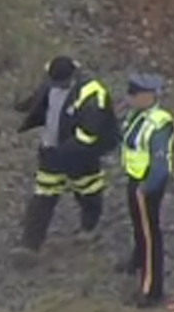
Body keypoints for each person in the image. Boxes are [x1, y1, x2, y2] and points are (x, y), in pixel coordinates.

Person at [11, 55, 120, 265]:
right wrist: (24, 106)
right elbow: (41, 97)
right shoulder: (52, 80)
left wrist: (65, 153)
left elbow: (89, 133)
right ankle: (29, 246)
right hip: (52, 151)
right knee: (44, 195)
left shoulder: (92, 94)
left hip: (81, 154)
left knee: (88, 190)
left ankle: (89, 226)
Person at [117, 73, 174, 307]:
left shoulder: (159, 123)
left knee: (150, 234)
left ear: (148, 96)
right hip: (135, 178)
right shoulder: (137, 115)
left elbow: (160, 164)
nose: (129, 98)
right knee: (138, 226)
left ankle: (152, 289)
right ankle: (138, 259)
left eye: (134, 94)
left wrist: (145, 188)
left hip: (148, 184)